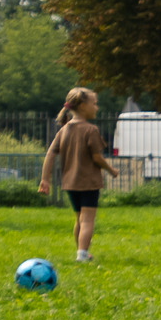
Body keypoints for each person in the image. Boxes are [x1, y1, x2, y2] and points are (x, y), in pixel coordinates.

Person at [37, 87, 119, 262]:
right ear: (82, 106)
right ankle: (82, 254)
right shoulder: (91, 130)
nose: (96, 107)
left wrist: (45, 179)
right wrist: (111, 170)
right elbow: (97, 158)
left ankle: (81, 251)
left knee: (79, 219)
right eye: (94, 104)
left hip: (70, 183)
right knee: (88, 220)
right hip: (88, 182)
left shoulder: (64, 130)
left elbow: (50, 154)